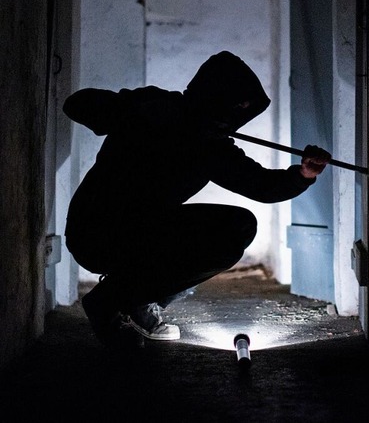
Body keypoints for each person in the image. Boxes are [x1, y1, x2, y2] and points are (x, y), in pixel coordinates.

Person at [63, 51, 331, 349]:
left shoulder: (210, 146)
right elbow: (76, 104)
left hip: (144, 233)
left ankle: (135, 298)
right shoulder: (155, 106)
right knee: (207, 231)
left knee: (238, 226)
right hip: (94, 229)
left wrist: (303, 174)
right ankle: (110, 300)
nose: (235, 119)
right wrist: (135, 110)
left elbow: (263, 186)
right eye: (235, 107)